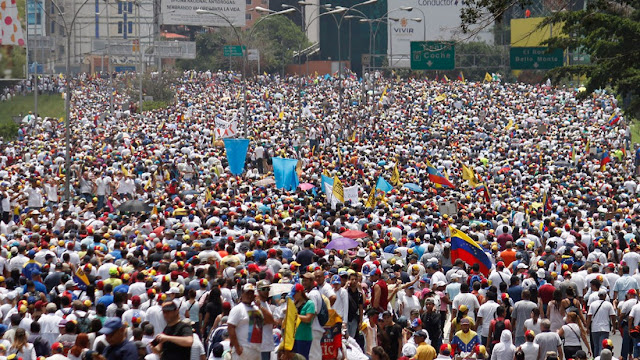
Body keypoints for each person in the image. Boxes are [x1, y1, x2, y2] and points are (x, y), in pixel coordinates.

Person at [226, 283, 263, 360]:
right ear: (242, 294)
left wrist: (260, 306)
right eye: (247, 293)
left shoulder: (257, 309)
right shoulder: (238, 309)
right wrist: (237, 347)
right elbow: (230, 327)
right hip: (244, 349)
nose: (249, 296)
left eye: (251, 293)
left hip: (256, 350)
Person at [587, 289, 616, 356]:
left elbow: (589, 316)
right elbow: (613, 316)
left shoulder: (592, 304)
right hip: (605, 328)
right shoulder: (608, 304)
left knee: (596, 346)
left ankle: (596, 357)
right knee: (602, 346)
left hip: (594, 328)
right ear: (605, 296)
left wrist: (587, 327)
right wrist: (614, 327)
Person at [291, 283, 314, 359]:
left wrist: (295, 316)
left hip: (304, 337)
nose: (293, 296)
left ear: (300, 292)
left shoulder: (309, 304)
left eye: (294, 294)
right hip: (294, 337)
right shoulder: (295, 303)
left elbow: (308, 318)